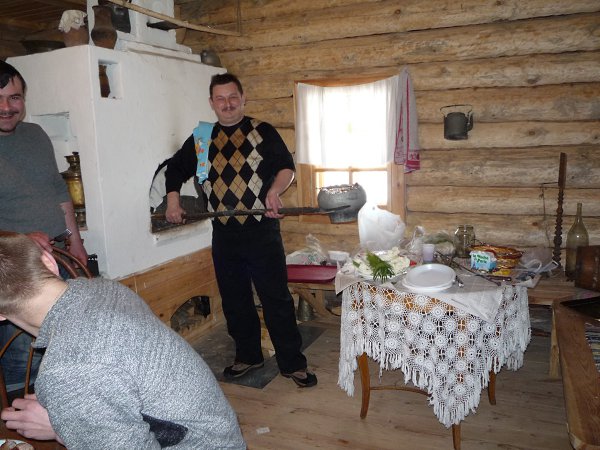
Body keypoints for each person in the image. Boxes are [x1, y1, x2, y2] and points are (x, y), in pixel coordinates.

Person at [0, 231, 246, 449]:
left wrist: (62, 427)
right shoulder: (100, 288)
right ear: (49, 261)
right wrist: (76, 416)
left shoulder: (69, 370)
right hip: (217, 431)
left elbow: (83, 374)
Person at [165, 73, 317, 388]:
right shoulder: (202, 138)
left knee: (276, 298)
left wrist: (274, 191)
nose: (228, 104)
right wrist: (173, 201)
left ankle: (292, 363)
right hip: (224, 234)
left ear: (243, 98)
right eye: (220, 99)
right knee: (235, 300)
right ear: (212, 103)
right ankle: (248, 355)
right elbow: (176, 169)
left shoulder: (262, 130)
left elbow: (286, 168)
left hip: (262, 231)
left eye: (233, 96)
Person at [0, 60, 88, 392]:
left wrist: (74, 241)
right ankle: (21, 416)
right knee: (24, 356)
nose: (6, 107)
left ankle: (59, 409)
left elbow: (57, 189)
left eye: (14, 97)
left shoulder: (35, 134)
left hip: (58, 255)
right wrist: (19, 239)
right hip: (14, 268)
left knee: (64, 342)